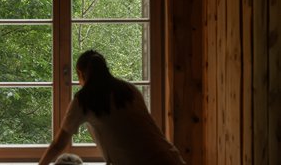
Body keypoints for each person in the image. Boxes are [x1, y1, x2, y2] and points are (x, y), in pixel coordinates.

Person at [39, 50, 185, 165]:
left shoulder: (84, 100)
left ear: (81, 74)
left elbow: (58, 144)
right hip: (172, 158)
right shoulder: (129, 89)